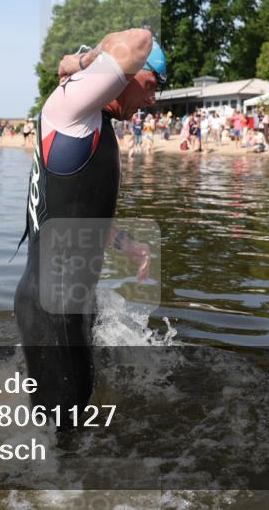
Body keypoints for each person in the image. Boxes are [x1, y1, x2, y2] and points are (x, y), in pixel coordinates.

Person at [15, 28, 162, 422]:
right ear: (127, 74)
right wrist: (81, 60)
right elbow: (140, 40)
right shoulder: (69, 109)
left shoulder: (90, 123)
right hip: (54, 305)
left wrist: (127, 245)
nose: (152, 99)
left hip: (71, 300)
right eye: (151, 84)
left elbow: (76, 210)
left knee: (73, 419)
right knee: (65, 428)